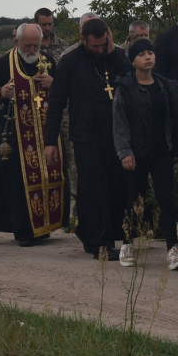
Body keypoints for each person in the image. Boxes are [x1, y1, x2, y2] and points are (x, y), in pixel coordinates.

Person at [45, 18, 131, 260]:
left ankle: (109, 234)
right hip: (86, 135)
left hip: (117, 135)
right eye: (95, 46)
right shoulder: (70, 61)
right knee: (93, 189)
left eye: (104, 44)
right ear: (83, 40)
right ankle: (99, 244)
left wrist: (113, 53)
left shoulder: (116, 56)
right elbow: (57, 102)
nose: (100, 50)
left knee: (117, 186)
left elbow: (131, 81)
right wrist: (50, 141)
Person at [0, 23, 65, 247]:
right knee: (19, 183)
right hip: (17, 136)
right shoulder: (4, 63)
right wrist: (1, 92)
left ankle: (46, 227)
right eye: (28, 45)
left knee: (50, 178)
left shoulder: (47, 61)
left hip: (48, 134)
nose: (32, 50)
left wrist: (53, 84)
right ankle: (24, 231)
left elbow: (64, 92)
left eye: (35, 45)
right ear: (17, 42)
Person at [112, 38, 178, 270]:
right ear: (132, 60)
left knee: (166, 199)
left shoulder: (165, 85)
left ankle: (172, 251)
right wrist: (125, 151)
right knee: (134, 198)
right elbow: (120, 121)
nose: (148, 57)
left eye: (150, 52)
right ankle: (127, 244)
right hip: (136, 152)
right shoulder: (125, 86)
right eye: (141, 54)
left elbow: (177, 119)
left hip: (162, 151)